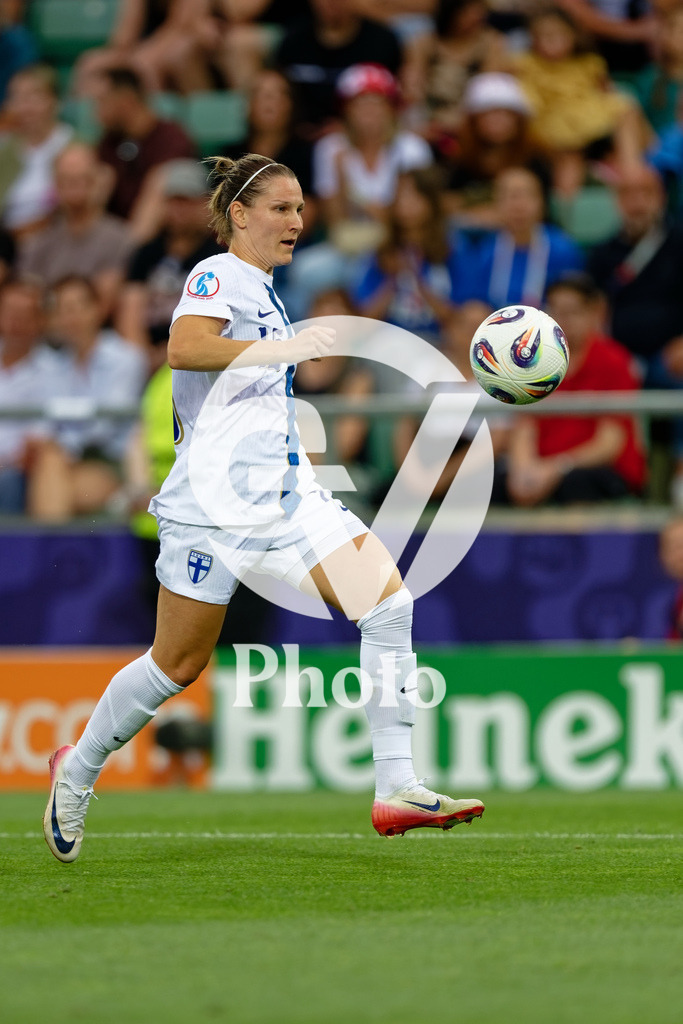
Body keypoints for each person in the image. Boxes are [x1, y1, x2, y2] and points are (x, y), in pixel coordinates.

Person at [43, 152, 484, 863]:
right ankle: (79, 767)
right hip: (211, 507)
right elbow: (184, 348)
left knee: (387, 603)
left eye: (300, 208)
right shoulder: (218, 274)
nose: (296, 221)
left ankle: (396, 786)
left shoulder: (266, 291)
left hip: (284, 497)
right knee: (177, 663)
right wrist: (281, 347)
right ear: (239, 214)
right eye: (280, 208)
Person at [495, 273, 646, 506]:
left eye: (572, 312)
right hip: (541, 466)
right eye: (554, 311)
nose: (562, 320)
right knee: (493, 483)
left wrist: (556, 468)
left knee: (576, 485)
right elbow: (524, 427)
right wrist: (523, 470)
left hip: (592, 468)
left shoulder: (614, 361)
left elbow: (610, 442)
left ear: (593, 313)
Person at [587, 163, 683, 499]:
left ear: (661, 198)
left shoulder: (679, 243)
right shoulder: (603, 253)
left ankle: (680, 480)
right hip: (618, 356)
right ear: (616, 201)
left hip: (669, 356)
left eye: (646, 193)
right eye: (628, 194)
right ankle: (616, 484)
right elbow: (592, 311)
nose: (637, 202)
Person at [29, 276, 147, 521]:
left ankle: (47, 546)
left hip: (114, 462)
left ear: (97, 310)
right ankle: (53, 545)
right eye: (61, 310)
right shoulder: (51, 365)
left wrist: (61, 446)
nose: (69, 317)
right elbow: (44, 422)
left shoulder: (126, 358)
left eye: (76, 307)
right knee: (51, 465)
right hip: (66, 462)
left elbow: (105, 426)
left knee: (52, 475)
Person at [116, 159, 223, 369]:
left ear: (204, 204)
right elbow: (130, 310)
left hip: (194, 352)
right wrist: (144, 355)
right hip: (145, 354)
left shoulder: (218, 256)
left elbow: (217, 320)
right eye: (174, 202)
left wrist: (172, 353)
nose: (179, 210)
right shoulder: (146, 253)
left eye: (187, 202)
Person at [352, 166, 471, 344]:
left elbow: (462, 316)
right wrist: (392, 280)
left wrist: (418, 280)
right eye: (400, 196)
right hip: (390, 342)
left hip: (439, 343)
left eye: (414, 195)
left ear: (431, 201)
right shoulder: (383, 252)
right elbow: (364, 319)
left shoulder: (453, 247)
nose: (405, 203)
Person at [18, 142, 133, 318]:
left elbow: (104, 304)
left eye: (81, 179)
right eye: (66, 180)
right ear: (56, 185)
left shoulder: (119, 238)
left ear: (96, 181)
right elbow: (26, 302)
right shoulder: (38, 242)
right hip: (44, 332)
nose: (74, 187)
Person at [94, 66, 195, 239]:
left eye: (102, 101)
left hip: (161, 239)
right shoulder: (109, 141)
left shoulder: (171, 137)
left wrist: (131, 247)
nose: (96, 111)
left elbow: (160, 189)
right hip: (115, 234)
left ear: (126, 101)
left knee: (162, 178)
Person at [461, 166, 584, 309]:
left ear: (542, 203)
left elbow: (574, 303)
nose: (519, 206)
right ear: (496, 204)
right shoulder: (483, 251)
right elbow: (470, 304)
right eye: (511, 197)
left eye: (527, 196)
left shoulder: (563, 250)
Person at [276, 0, 404, 136]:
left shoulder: (381, 43)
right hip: (297, 135)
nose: (331, 2)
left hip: (360, 136)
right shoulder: (293, 41)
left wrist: (347, 127)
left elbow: (395, 97)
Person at [0, 65, 73, 236]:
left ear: (54, 100)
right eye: (17, 98)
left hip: (57, 236)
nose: (24, 107)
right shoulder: (5, 146)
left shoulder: (73, 146)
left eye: (32, 97)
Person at [0, 277, 51, 513]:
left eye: (24, 315)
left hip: (15, 473)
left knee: (8, 482)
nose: (15, 323)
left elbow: (36, 446)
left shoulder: (53, 370)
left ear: (40, 320)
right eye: (9, 313)